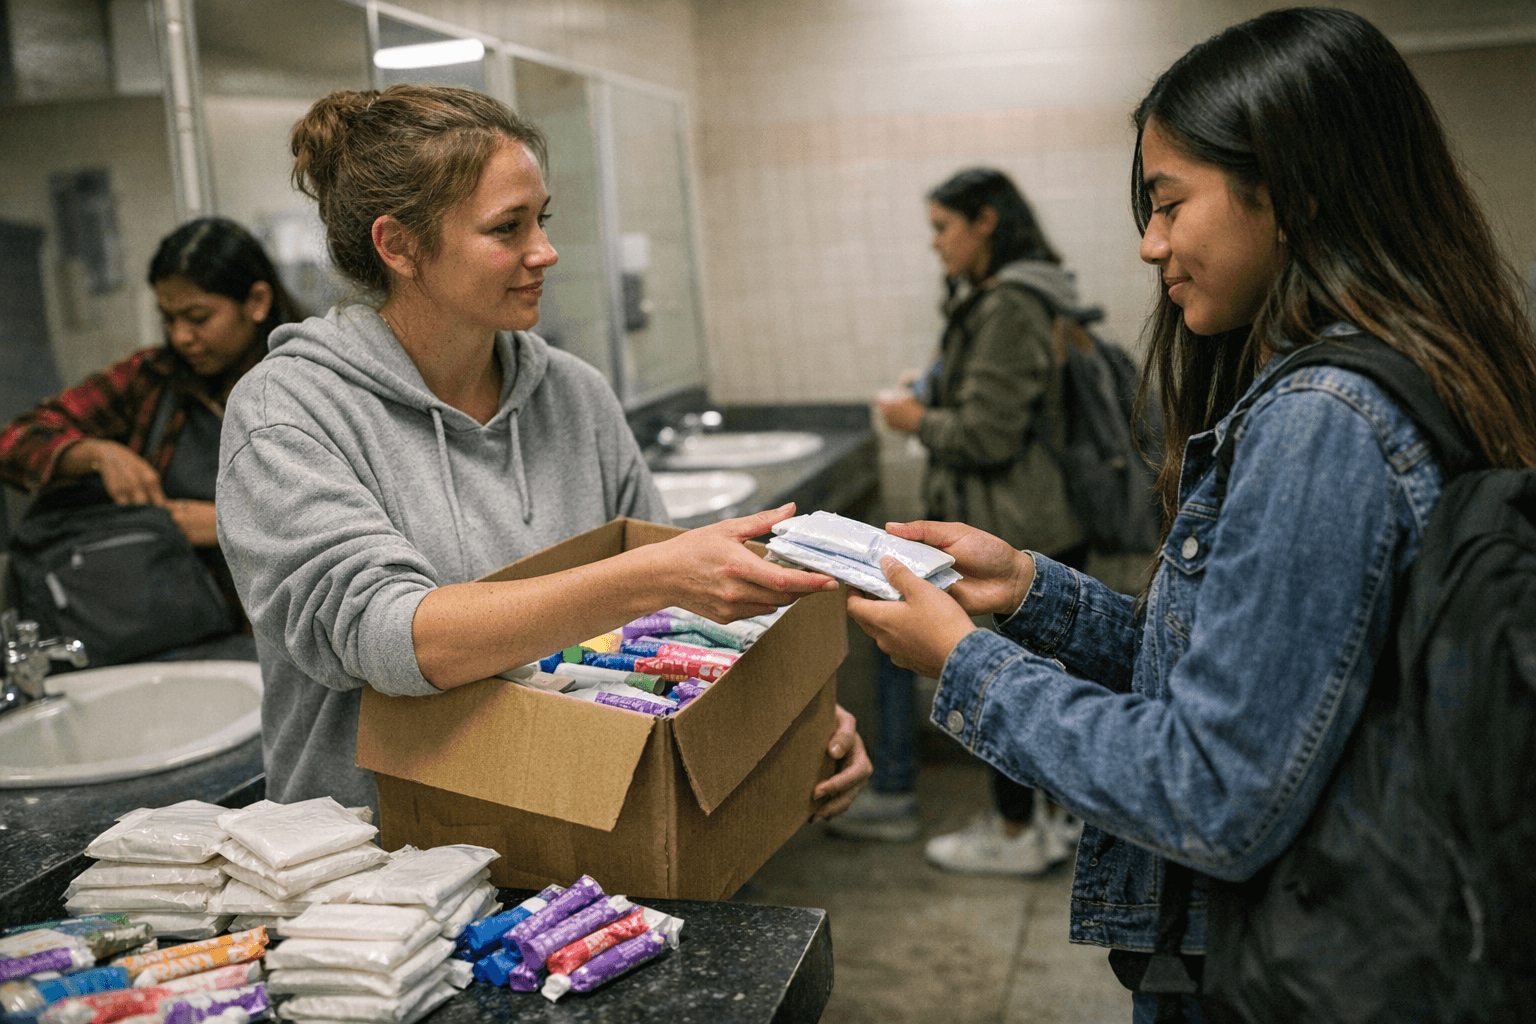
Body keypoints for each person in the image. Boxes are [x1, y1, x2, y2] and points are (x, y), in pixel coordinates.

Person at [847, 8, 1536, 1022]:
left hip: (1276, 975)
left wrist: (964, 663)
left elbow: (1212, 787)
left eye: (1170, 203)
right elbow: (1255, 677)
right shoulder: (1397, 373)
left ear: (1295, 187)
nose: (1148, 243)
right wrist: (1033, 592)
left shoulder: (1324, 422)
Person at [214, 83, 872, 818]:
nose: (545, 252)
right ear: (398, 245)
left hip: (585, 836)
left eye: (543, 219)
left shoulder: (574, 396)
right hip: (383, 880)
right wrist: (650, 574)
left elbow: (677, 628)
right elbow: (389, 638)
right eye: (507, 229)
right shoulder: (289, 415)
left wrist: (795, 715)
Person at [831, 168, 1083, 873]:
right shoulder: (1030, 293)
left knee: (992, 669)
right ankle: (1044, 823)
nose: (937, 245)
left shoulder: (1008, 303)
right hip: (1041, 515)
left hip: (1015, 521)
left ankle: (1011, 834)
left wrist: (913, 418)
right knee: (1031, 668)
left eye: (944, 227)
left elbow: (987, 434)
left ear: (986, 222)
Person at [0, 217, 301, 647]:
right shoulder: (151, 380)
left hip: (289, 634)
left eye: (198, 317)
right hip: (176, 634)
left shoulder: (307, 382)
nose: (181, 337)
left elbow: (359, 517)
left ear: (256, 301)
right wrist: (97, 453)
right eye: (168, 318)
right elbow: (14, 442)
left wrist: (226, 525)